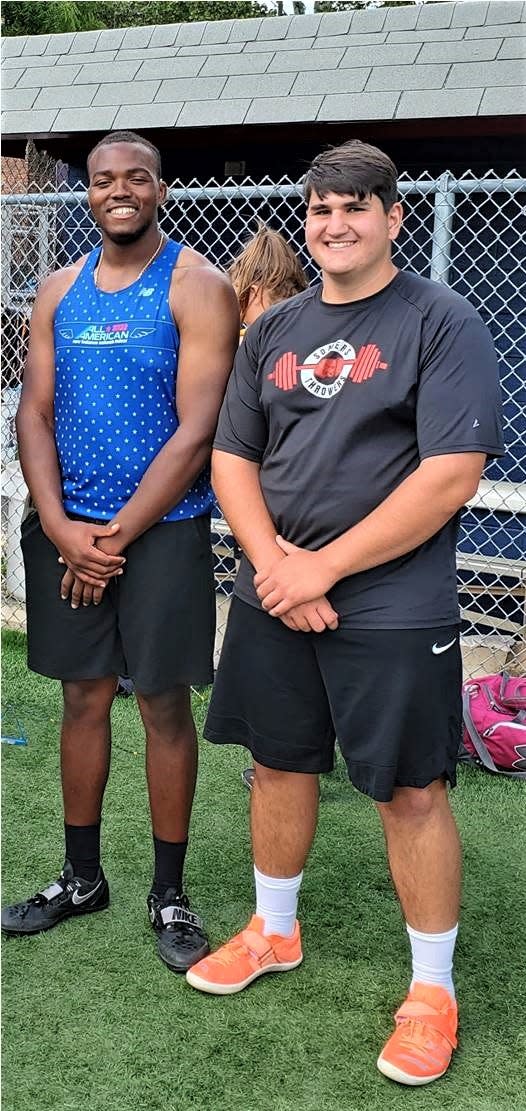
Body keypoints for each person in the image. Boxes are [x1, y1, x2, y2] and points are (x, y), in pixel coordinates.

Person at [184, 140, 504, 1086]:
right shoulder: (274, 331)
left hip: (392, 599)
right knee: (277, 762)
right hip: (275, 587)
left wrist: (320, 567)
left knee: (409, 788)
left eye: (357, 208)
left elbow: (450, 475)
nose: (336, 224)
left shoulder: (441, 321)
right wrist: (274, 564)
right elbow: (233, 458)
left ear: (395, 218)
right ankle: (274, 931)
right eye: (321, 209)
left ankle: (432, 990)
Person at [1, 130, 239, 975]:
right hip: (70, 530)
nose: (119, 190)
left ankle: (167, 891)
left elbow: (198, 427)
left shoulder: (198, 285)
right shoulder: (58, 288)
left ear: (162, 190)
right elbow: (33, 411)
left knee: (164, 707)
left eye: (136, 177)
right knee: (83, 698)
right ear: (89, 194)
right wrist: (63, 527)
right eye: (104, 180)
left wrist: (111, 539)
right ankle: (80, 876)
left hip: (162, 535)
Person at [227, 223, 308, 788]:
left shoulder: (295, 327)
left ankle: (283, 750)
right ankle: (276, 753)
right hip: (256, 495)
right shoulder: (247, 335)